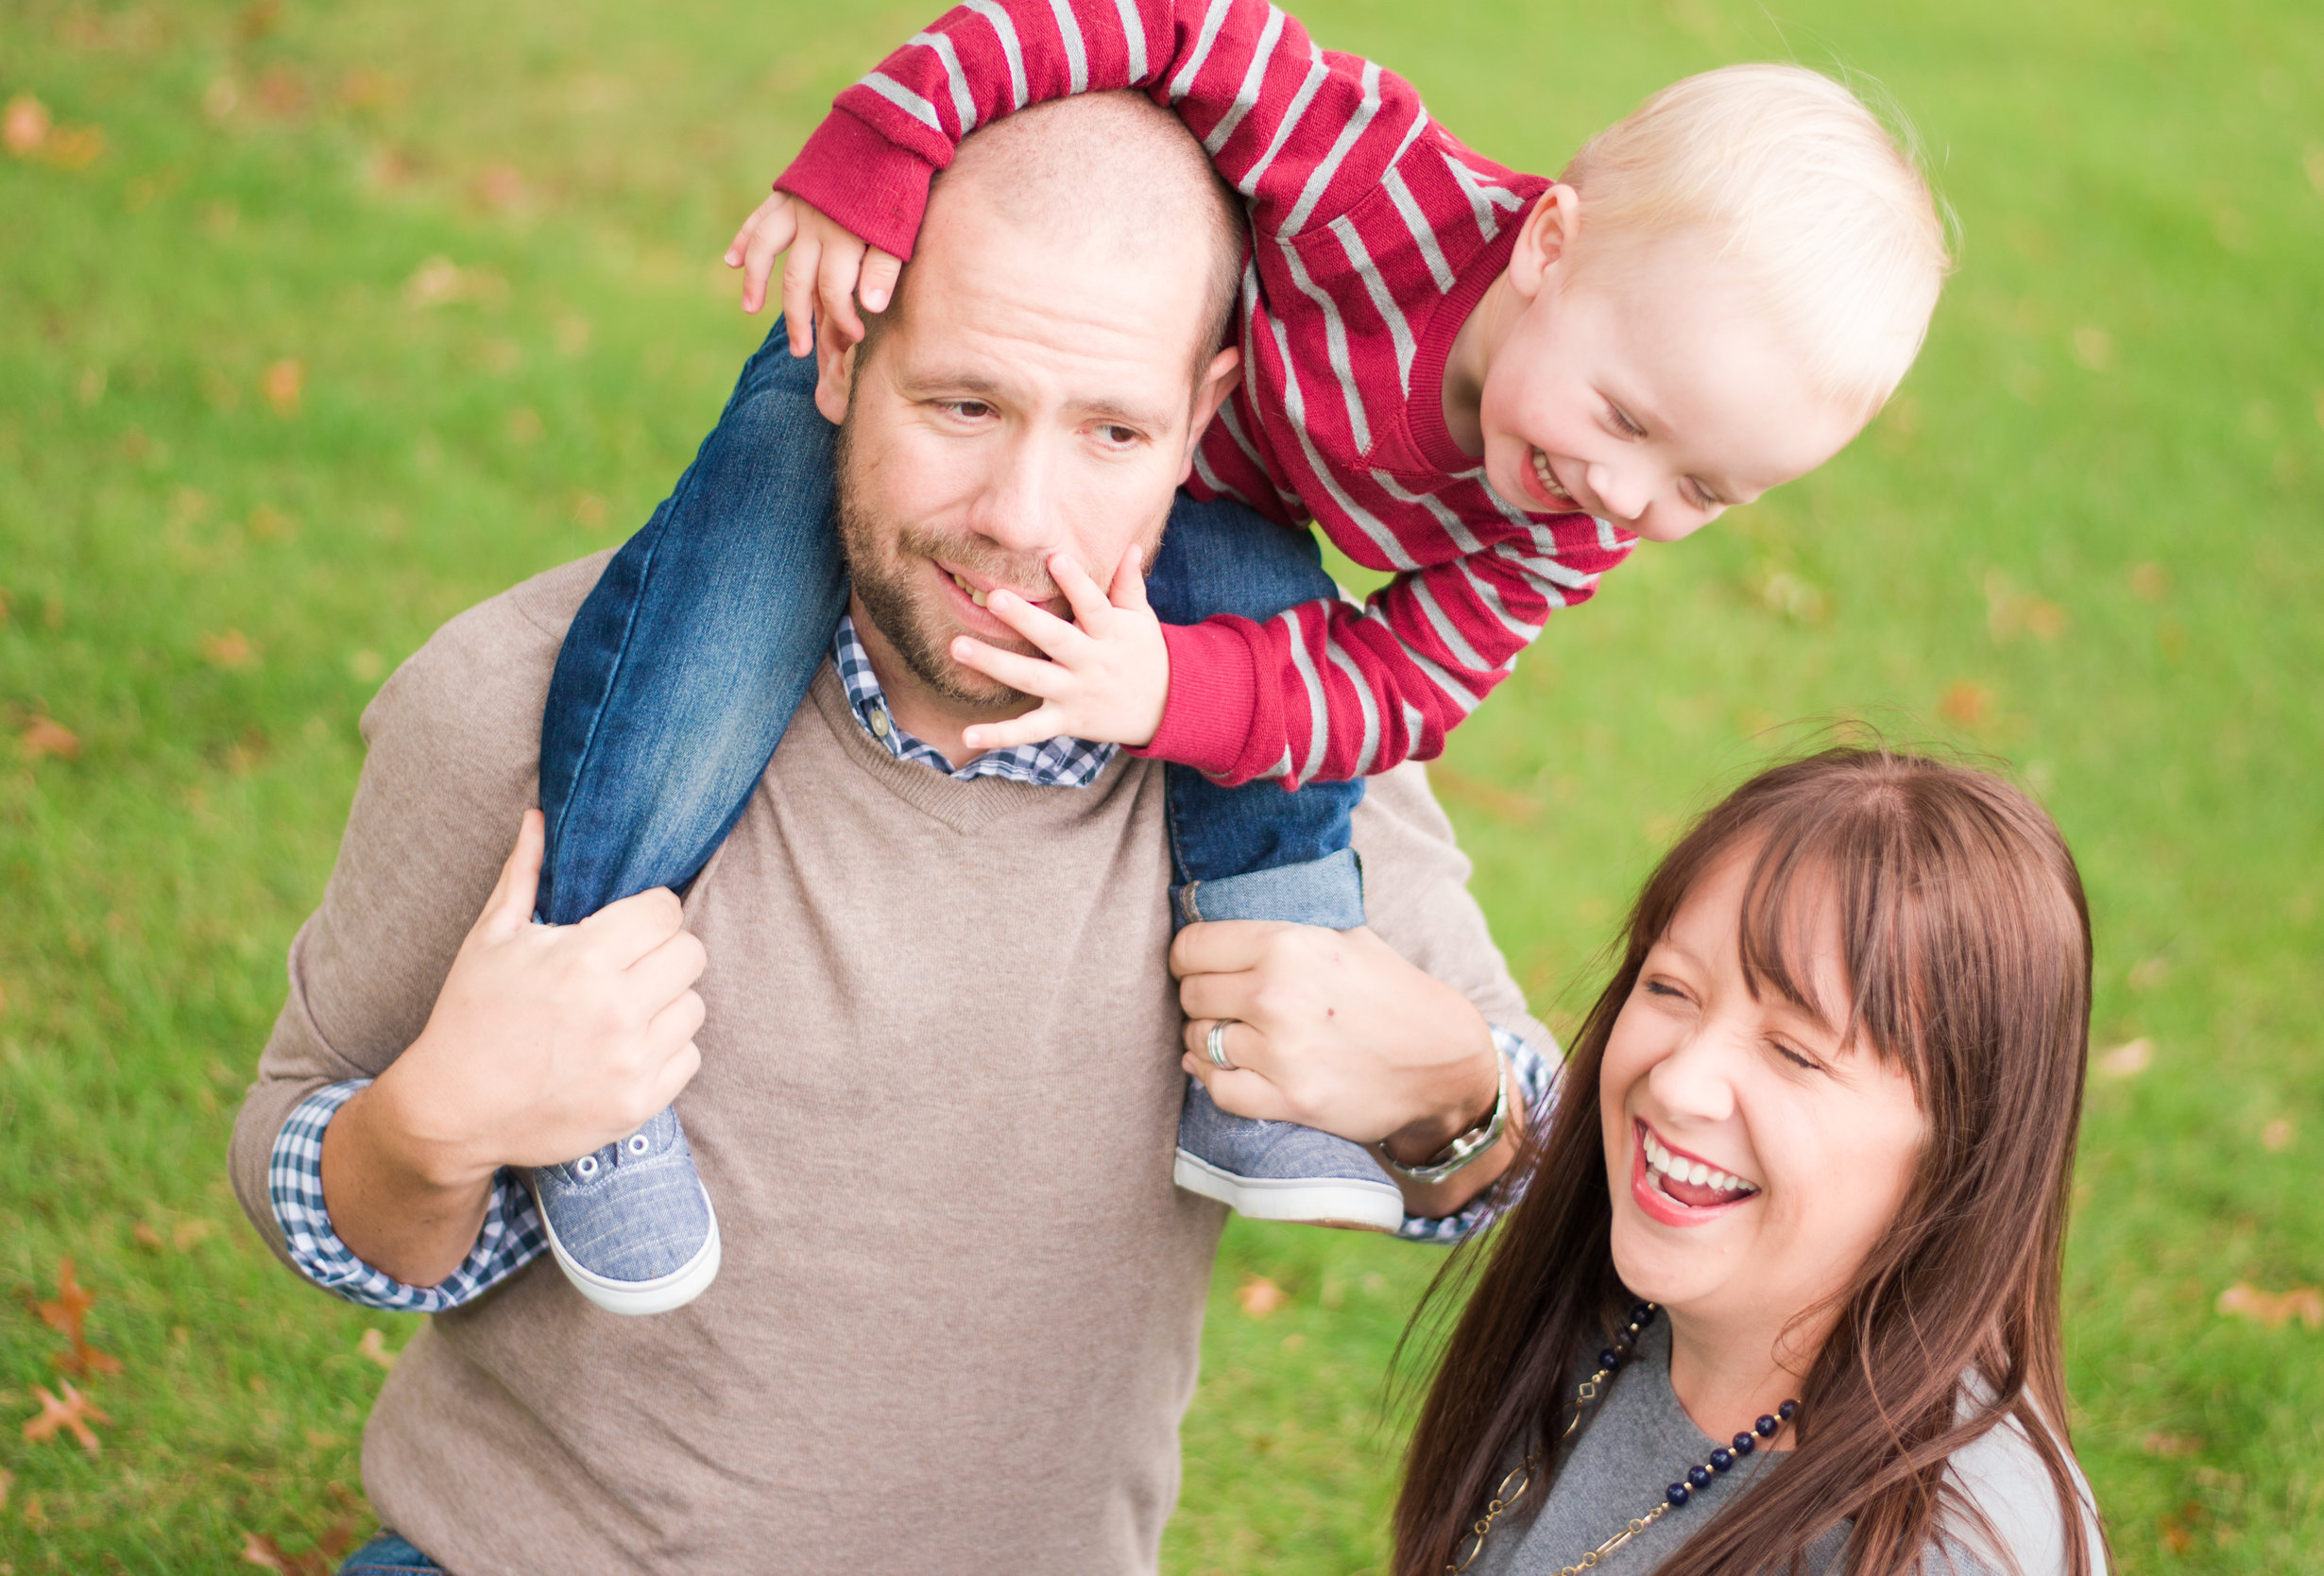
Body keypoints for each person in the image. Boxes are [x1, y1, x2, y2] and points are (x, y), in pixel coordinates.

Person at [230, 92, 1556, 1575]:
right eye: (964, 406)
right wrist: (437, 1123)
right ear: (847, 352)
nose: (1020, 516)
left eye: (1113, 430)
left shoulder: (1294, 752)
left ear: (1203, 418)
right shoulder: (528, 707)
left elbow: (1533, 1172)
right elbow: (309, 1185)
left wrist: (1456, 1096)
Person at [521, 0, 1956, 1308]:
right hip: (998, 355)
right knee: (714, 622)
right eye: (1631, 422)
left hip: (1194, 478)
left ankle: (1252, 1058)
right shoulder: (1371, 179)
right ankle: (582, 1004)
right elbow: (1138, 18)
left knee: (1275, 644)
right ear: (1549, 246)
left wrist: (1169, 692)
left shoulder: (1569, 522)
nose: (1631, 502)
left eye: (1705, 494)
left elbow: (1401, 689)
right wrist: (884, 143)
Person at [1334, 749, 2102, 1575]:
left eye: (1795, 1052)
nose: (1679, 1082)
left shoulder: (1946, 1550)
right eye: (1670, 989)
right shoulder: (1605, 1305)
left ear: (1965, 1145)